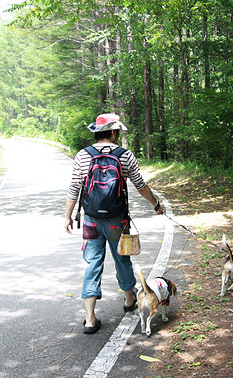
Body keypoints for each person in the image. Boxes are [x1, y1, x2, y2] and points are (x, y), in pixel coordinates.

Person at [64, 113, 164, 334]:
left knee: (92, 264)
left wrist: (68, 216)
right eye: (117, 131)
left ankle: (90, 319)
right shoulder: (124, 155)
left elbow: (74, 189)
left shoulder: (83, 155)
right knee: (122, 258)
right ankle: (129, 300)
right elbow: (140, 185)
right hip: (117, 220)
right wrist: (156, 205)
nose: (118, 134)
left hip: (91, 219)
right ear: (112, 132)